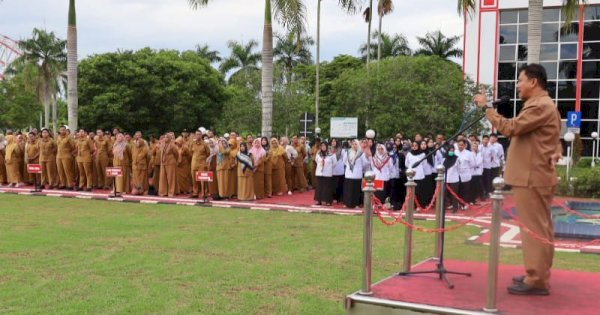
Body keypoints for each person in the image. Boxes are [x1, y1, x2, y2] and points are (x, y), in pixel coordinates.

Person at [473, 63, 562, 296]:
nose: (518, 86)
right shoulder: (540, 105)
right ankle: (537, 273)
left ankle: (537, 279)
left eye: (521, 80)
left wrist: (487, 109)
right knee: (540, 227)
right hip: (533, 175)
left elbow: (511, 128)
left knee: (535, 229)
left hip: (532, 177)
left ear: (533, 82)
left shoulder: (540, 105)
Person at [343, 139, 370, 208]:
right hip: (349, 174)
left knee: (356, 190)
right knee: (348, 190)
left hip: (357, 175)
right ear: (351, 145)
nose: (354, 145)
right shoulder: (347, 152)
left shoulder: (361, 153)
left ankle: (356, 204)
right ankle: (347, 203)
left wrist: (359, 168)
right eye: (353, 144)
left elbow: (365, 163)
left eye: (356, 144)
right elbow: (344, 161)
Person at [314, 141, 336, 206]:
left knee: (327, 188)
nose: (323, 147)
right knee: (319, 187)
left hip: (327, 173)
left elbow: (334, 163)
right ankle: (319, 200)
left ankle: (328, 201)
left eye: (324, 145)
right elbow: (316, 160)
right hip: (319, 173)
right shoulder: (318, 154)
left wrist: (328, 167)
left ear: (327, 146)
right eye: (322, 146)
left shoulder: (331, 154)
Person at [190, 130, 210, 198]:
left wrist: (202, 158)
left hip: (202, 163)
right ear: (195, 135)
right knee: (194, 179)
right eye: (197, 134)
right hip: (194, 163)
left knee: (203, 179)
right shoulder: (192, 143)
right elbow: (190, 152)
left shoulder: (205, 144)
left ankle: (204, 193)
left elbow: (208, 153)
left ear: (201, 135)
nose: (198, 136)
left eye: (199, 134)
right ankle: (195, 193)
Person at [159, 132, 179, 197]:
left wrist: (173, 160)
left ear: (170, 138)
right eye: (165, 137)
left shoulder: (172, 145)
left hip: (170, 163)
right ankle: (164, 192)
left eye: (167, 137)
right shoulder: (163, 144)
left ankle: (171, 192)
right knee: (163, 178)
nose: (165, 138)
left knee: (171, 178)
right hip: (163, 163)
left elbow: (176, 154)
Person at [330, 138, 345, 203]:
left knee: (339, 185)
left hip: (339, 169)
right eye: (332, 141)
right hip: (331, 169)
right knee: (332, 185)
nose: (333, 142)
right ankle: (332, 197)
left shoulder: (341, 149)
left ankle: (338, 198)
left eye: (334, 141)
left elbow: (344, 159)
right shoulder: (329, 149)